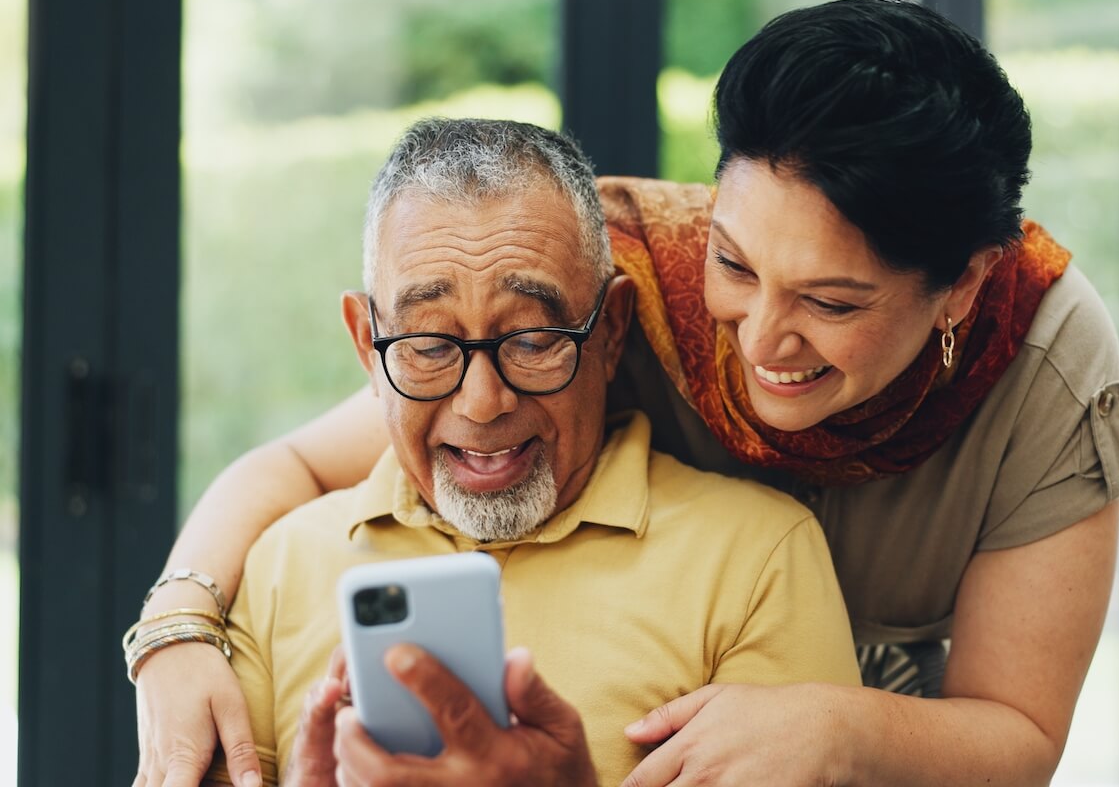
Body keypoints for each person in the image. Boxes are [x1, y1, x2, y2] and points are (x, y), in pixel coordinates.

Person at [137, 0, 1119, 786]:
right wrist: (173, 634)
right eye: (736, 264)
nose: (760, 337)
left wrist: (835, 722)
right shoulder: (620, 281)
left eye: (830, 300)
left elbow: (1019, 733)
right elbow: (305, 464)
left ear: (960, 283)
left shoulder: (1040, 360)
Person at [131, 117, 857, 787]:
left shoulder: (756, 555)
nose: (481, 403)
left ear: (609, 334)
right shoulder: (276, 563)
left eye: (534, 339)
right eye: (426, 344)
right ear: (366, 343)